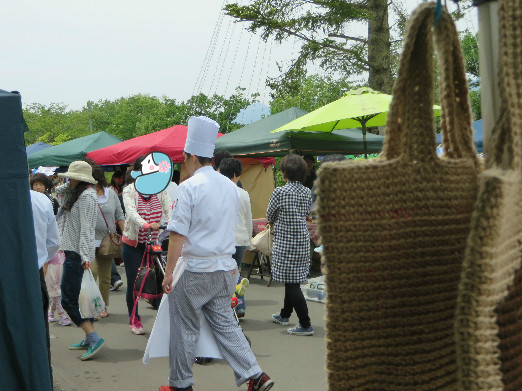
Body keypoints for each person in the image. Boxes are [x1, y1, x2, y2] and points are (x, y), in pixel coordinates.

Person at [160, 116, 273, 391]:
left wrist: (168, 273)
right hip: (225, 269)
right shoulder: (230, 187)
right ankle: (255, 374)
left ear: (190, 157)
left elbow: (177, 235)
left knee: (185, 327)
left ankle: (180, 384)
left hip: (196, 268)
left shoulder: (189, 187)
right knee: (226, 324)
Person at [56, 161, 106, 360]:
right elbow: (58, 190)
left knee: (68, 299)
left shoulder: (86, 196)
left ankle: (93, 337)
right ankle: (88, 338)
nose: (68, 179)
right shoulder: (76, 193)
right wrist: (72, 182)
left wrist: (86, 256)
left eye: (72, 176)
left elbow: (87, 228)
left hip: (77, 253)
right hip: (72, 251)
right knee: (75, 298)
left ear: (80, 178)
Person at [122, 155, 172, 334]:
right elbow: (131, 212)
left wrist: (173, 223)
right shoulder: (129, 190)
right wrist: (145, 224)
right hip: (134, 245)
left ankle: (163, 320)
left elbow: (169, 209)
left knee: (160, 280)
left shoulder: (162, 190)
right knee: (135, 283)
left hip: (154, 244)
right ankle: (134, 319)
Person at [268, 154, 314, 336]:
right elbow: (306, 212)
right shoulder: (307, 192)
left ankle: (305, 324)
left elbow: (270, 214)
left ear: (285, 172)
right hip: (302, 241)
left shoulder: (279, 192)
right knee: (292, 280)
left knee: (292, 283)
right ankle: (284, 314)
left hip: (286, 242)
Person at [30, 188, 61, 386]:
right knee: (39, 336)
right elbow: (53, 243)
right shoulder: (41, 200)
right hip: (33, 274)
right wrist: (42, 262)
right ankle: (43, 381)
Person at [219, 157, 253, 318]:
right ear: (235, 174)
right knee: (234, 272)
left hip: (222, 240)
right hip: (240, 240)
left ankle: (228, 307)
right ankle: (239, 304)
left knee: (222, 276)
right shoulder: (243, 193)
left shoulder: (216, 191)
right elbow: (248, 219)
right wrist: (249, 242)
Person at [89, 166, 125, 318]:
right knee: (92, 274)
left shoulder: (111, 194)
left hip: (107, 242)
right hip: (89, 242)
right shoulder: (85, 194)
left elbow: (120, 214)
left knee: (105, 278)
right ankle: (90, 307)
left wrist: (125, 236)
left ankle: (102, 306)